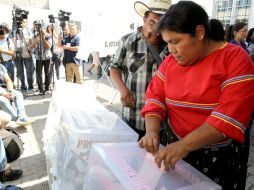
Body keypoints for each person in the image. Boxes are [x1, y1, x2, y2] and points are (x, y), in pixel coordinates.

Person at [139, 1, 254, 190]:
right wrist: (152, 131)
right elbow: (155, 97)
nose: (170, 50)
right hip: (175, 146)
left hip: (216, 156)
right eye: (168, 42)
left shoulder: (236, 59)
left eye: (175, 42)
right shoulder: (170, 63)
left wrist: (184, 146)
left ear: (199, 33)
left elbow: (228, 117)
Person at [109, 0, 171, 139]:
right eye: (152, 22)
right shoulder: (128, 41)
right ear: (144, 18)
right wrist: (122, 89)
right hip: (133, 115)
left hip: (161, 121)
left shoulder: (171, 45)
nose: (156, 29)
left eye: (162, 24)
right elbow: (114, 67)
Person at [31, 20, 52, 95]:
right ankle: (40, 89)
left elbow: (48, 47)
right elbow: (33, 47)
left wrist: (43, 36)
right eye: (37, 26)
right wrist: (36, 40)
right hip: (38, 57)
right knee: (38, 73)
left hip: (47, 57)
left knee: (47, 73)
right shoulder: (35, 35)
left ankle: (47, 88)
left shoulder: (48, 35)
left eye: (40, 26)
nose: (38, 28)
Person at [15, 20, 35, 93]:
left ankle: (30, 86)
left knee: (29, 71)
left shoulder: (29, 31)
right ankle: (23, 86)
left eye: (23, 22)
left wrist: (30, 46)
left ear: (26, 23)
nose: (21, 23)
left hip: (27, 54)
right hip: (18, 54)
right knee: (20, 72)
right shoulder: (14, 31)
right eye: (20, 22)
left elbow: (32, 42)